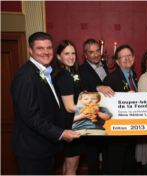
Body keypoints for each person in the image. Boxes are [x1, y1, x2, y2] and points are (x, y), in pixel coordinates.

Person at [10, 32, 80, 176]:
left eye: (48, 48)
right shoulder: (26, 76)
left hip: (44, 146)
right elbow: (30, 116)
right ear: (30, 50)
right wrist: (60, 133)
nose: (46, 52)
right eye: (40, 48)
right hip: (32, 149)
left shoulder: (43, 72)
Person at [79, 38, 115, 176]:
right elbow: (84, 92)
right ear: (85, 55)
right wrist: (97, 88)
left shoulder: (104, 66)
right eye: (91, 52)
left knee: (107, 150)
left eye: (97, 51)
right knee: (92, 153)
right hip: (91, 118)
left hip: (105, 116)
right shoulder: (81, 70)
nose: (95, 55)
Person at [52, 40, 87, 176]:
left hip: (67, 125)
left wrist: (82, 96)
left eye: (73, 53)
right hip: (72, 126)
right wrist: (91, 107)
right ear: (59, 57)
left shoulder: (64, 74)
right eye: (66, 53)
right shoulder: (65, 77)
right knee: (73, 166)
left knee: (68, 166)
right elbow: (70, 107)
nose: (71, 56)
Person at [103, 44, 138, 176]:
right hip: (117, 136)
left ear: (134, 58)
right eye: (123, 56)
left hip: (132, 133)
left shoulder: (134, 76)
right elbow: (105, 106)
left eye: (129, 55)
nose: (127, 58)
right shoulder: (110, 79)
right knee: (115, 170)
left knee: (129, 169)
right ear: (117, 61)